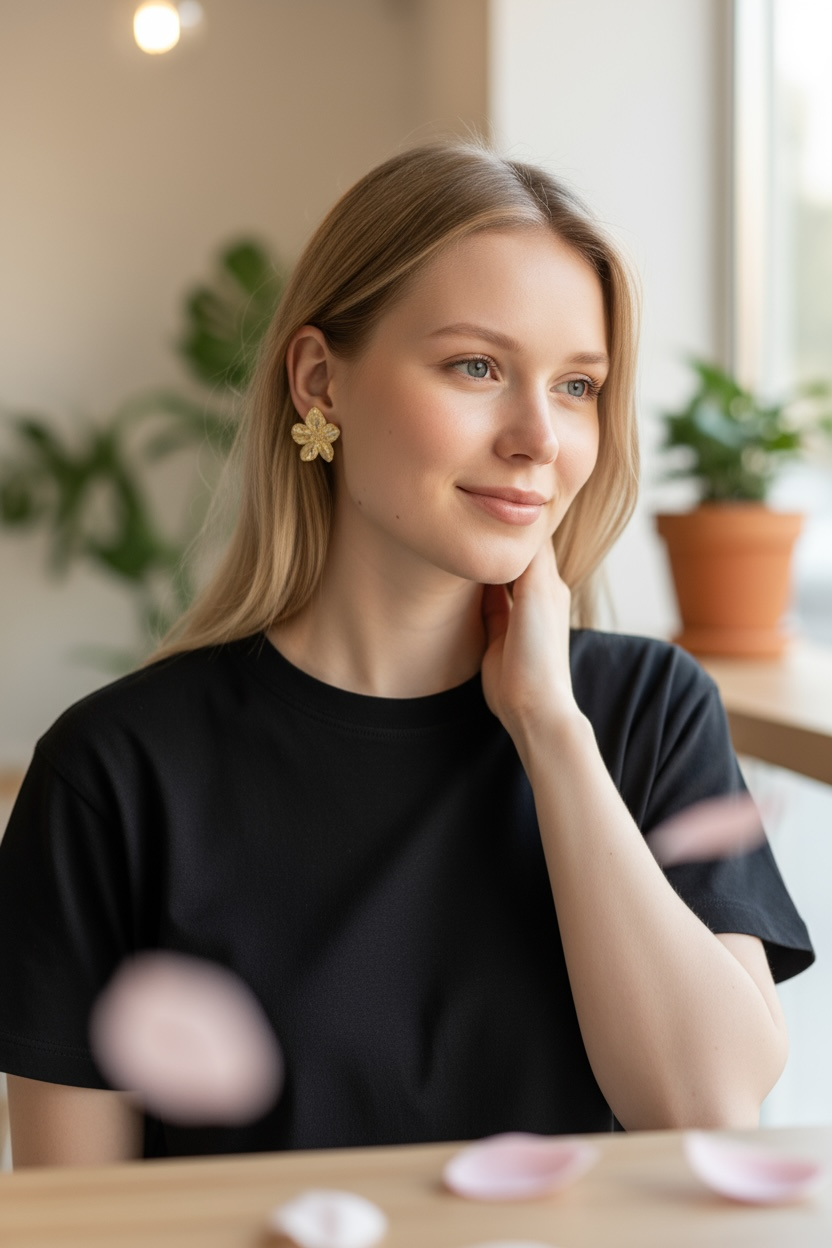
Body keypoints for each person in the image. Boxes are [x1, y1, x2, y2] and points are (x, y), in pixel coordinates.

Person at [0, 141, 813, 1167]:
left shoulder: (647, 711)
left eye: (575, 386)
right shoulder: (112, 774)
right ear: (318, 383)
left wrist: (550, 729)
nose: (538, 438)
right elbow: (79, 1228)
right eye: (477, 366)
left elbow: (705, 1105)